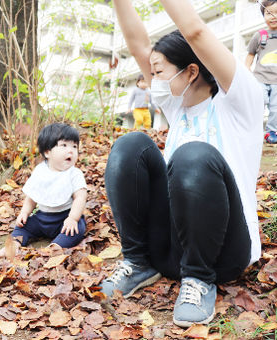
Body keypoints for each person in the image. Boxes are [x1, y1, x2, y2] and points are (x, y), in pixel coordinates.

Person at [101, 0, 263, 328]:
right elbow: (139, 44)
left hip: (226, 253)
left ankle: (199, 281)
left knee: (193, 156)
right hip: (172, 250)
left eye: (159, 71)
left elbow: (196, 31)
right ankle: (139, 261)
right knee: (130, 145)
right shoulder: (177, 106)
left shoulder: (240, 101)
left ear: (191, 70)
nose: (152, 78)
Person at [0, 123, 87, 258]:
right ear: (47, 152)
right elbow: (31, 196)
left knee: (77, 229)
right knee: (22, 226)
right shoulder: (40, 171)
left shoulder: (74, 174)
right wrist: (24, 212)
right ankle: (14, 245)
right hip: (41, 218)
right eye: (64, 145)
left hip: (65, 218)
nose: (71, 151)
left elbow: (80, 197)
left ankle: (57, 246)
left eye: (74, 146)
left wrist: (73, 218)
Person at [245, 0, 277, 144]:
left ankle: (271, 132)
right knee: (259, 102)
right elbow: (250, 55)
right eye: (269, 13)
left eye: (276, 13)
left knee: (276, 109)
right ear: (263, 15)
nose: (273, 16)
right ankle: (253, 129)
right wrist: (247, 72)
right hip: (260, 78)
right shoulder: (260, 35)